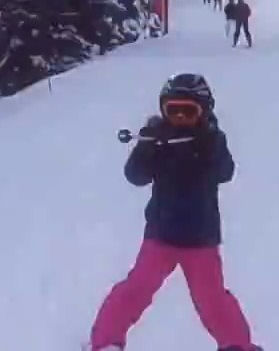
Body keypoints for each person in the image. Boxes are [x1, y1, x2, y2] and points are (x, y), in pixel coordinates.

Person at [89, 74, 261, 351]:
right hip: (161, 235)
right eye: (173, 110)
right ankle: (106, 341)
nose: (180, 117)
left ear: (203, 111)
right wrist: (145, 146)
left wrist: (211, 142)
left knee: (212, 300)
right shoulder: (159, 140)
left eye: (188, 111)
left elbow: (225, 172)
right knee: (137, 289)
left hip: (200, 237)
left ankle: (237, 345)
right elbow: (135, 176)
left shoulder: (210, 140)